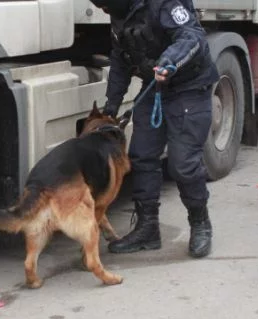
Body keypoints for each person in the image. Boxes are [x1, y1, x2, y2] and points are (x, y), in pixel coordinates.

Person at [88, 0, 220, 258]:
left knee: (183, 164)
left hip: (189, 89)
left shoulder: (164, 3)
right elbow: (120, 60)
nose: (104, 10)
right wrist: (111, 106)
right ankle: (148, 230)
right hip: (155, 88)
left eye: (105, 4)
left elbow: (191, 37)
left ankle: (200, 224)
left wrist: (170, 60)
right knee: (141, 156)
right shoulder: (119, 13)